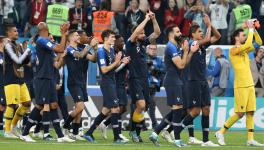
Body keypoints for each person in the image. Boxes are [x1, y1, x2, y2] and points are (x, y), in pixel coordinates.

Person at [21, 22, 74, 142]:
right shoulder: (42, 41)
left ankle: (60, 136)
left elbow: (57, 59)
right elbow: (60, 48)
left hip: (50, 78)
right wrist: (63, 33)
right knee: (40, 105)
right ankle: (25, 133)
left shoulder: (46, 44)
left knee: (53, 105)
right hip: (42, 78)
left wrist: (64, 38)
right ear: (44, 29)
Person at [215, 20, 264, 147]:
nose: (245, 36)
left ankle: (250, 139)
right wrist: (250, 29)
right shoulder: (233, 50)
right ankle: (220, 132)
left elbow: (259, 42)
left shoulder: (244, 50)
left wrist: (254, 29)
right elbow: (248, 45)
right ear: (236, 37)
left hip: (249, 85)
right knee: (240, 114)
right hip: (241, 86)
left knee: (251, 112)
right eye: (243, 35)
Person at [149, 25, 198, 147]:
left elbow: (184, 64)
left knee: (177, 109)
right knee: (177, 109)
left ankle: (155, 133)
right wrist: (186, 51)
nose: (180, 33)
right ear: (171, 34)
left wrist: (190, 52)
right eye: (178, 31)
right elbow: (180, 65)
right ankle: (177, 140)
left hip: (177, 80)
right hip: (172, 80)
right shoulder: (170, 47)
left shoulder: (175, 46)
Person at [83, 29, 130, 144]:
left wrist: (121, 61)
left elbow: (113, 67)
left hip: (112, 82)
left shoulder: (111, 52)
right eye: (112, 37)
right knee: (115, 108)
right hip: (106, 83)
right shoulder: (101, 52)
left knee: (105, 111)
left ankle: (88, 133)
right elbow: (104, 70)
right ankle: (117, 137)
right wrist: (117, 61)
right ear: (105, 38)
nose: (114, 39)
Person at [183, 16, 221, 146]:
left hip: (203, 81)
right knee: (195, 111)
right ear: (193, 34)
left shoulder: (203, 45)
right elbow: (206, 38)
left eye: (202, 31)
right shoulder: (191, 43)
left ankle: (206, 140)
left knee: (206, 109)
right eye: (199, 31)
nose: (202, 33)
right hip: (193, 81)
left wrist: (211, 25)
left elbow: (218, 36)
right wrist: (208, 25)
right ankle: (174, 130)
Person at [125, 10, 160, 142]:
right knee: (140, 105)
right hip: (134, 79)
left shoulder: (143, 43)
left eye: (144, 32)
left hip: (145, 79)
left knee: (144, 107)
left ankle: (136, 132)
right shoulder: (130, 43)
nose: (144, 34)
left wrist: (154, 19)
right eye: (142, 32)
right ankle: (133, 131)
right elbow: (135, 33)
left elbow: (157, 33)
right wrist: (145, 19)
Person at [63, 30, 97, 140]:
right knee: (80, 106)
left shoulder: (82, 48)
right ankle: (65, 126)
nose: (79, 37)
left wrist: (95, 49)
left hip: (81, 82)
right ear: (71, 38)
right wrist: (89, 46)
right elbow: (80, 55)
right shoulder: (69, 49)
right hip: (73, 82)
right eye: (77, 35)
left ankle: (75, 133)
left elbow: (93, 59)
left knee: (80, 109)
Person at [98, 34, 130, 142]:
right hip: (114, 83)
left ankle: (106, 124)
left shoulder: (121, 52)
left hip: (121, 83)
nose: (122, 43)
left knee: (122, 107)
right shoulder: (110, 52)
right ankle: (118, 134)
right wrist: (122, 63)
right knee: (117, 108)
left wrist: (126, 63)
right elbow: (112, 70)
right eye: (120, 41)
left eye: (123, 41)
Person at [3, 24, 31, 138]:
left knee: (27, 103)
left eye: (17, 31)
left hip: (20, 78)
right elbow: (18, 60)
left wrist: (26, 51)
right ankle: (7, 130)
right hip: (11, 78)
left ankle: (14, 127)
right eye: (14, 31)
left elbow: (25, 62)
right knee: (12, 105)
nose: (17, 33)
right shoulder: (7, 46)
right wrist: (28, 49)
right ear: (9, 33)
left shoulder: (18, 45)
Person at [146, 43, 165, 129]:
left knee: (151, 104)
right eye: (151, 49)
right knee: (142, 105)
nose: (153, 51)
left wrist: (156, 70)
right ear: (148, 50)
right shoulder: (144, 59)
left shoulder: (159, 60)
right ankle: (152, 124)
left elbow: (164, 70)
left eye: (155, 49)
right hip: (144, 85)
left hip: (153, 86)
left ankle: (152, 124)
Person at [0, 36, 7, 136]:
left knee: (3, 107)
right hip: (0, 83)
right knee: (1, 107)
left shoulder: (4, 55)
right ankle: (1, 128)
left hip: (5, 83)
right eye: (6, 42)